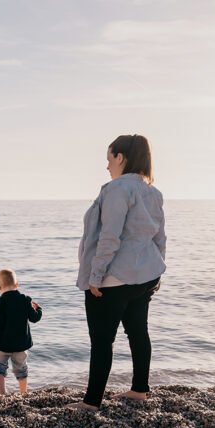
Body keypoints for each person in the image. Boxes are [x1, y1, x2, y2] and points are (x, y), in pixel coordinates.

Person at [70, 134, 166, 410]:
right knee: (138, 333)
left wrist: (95, 276)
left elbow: (109, 238)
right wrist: (158, 270)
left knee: (102, 341)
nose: (107, 165)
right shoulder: (153, 192)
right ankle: (139, 390)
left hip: (114, 279)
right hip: (145, 276)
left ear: (121, 158)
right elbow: (160, 237)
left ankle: (91, 402)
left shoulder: (116, 189)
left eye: (109, 158)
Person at [0, 268, 43, 395]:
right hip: (20, 345)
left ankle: (2, 393)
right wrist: (39, 309)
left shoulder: (0, 301)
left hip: (1, 344)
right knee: (21, 369)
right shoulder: (26, 299)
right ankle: (23, 392)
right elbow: (34, 318)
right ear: (17, 284)